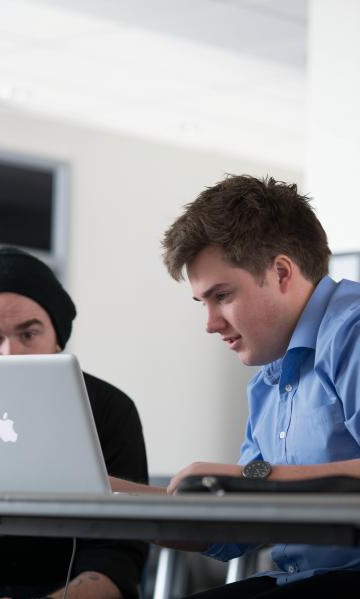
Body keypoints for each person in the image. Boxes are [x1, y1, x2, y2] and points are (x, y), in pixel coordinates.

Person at [112, 174, 360, 597]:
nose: (209, 324)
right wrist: (106, 498)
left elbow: (251, 485)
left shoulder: (350, 332)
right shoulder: (270, 380)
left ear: (281, 272)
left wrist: (248, 477)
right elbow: (234, 530)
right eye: (203, 303)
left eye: (222, 296)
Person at [0, 247, 148, 599]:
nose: (9, 354)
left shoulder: (110, 409)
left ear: (57, 338)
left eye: (27, 335)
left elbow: (118, 557)